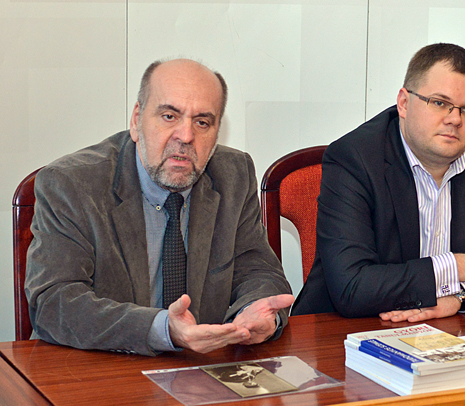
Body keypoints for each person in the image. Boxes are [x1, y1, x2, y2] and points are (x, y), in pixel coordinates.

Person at [25, 58, 294, 356]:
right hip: (95, 366)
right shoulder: (72, 184)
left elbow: (258, 270)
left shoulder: (233, 174)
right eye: (169, 116)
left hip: (198, 368)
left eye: (202, 122)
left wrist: (255, 313)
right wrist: (162, 329)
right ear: (136, 120)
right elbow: (54, 302)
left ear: (217, 133)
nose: (186, 136)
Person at [292, 43, 465, 322]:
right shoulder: (355, 158)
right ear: (404, 103)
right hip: (341, 332)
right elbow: (353, 288)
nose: (455, 119)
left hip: (451, 330)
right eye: (440, 103)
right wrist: (460, 266)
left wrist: (461, 298)